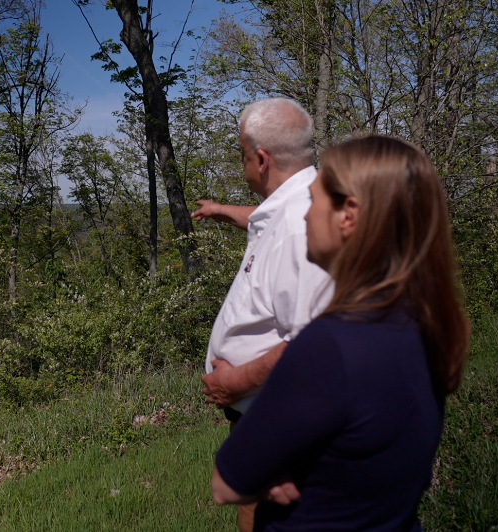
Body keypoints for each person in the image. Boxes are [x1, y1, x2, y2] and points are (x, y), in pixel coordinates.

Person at [210, 135, 471, 531]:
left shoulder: (330, 345)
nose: (303, 216)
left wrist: (269, 462)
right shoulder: (421, 324)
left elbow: (227, 484)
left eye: (314, 201)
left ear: (348, 215)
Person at [192, 97, 333, 532]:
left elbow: (319, 346)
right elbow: (259, 219)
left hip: (280, 418)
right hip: (263, 415)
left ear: (261, 158)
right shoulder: (295, 205)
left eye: (241, 155)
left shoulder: (300, 226)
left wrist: (237, 381)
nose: (242, 164)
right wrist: (218, 211)